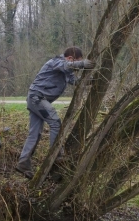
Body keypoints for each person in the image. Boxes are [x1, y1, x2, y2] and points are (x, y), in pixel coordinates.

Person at [16, 47, 95, 179]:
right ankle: (56, 156)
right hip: (37, 99)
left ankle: (23, 163)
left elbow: (74, 81)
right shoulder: (56, 62)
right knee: (56, 123)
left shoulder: (65, 70)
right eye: (76, 62)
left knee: (35, 133)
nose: (75, 67)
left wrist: (91, 80)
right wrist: (82, 64)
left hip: (38, 100)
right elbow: (66, 66)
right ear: (70, 58)